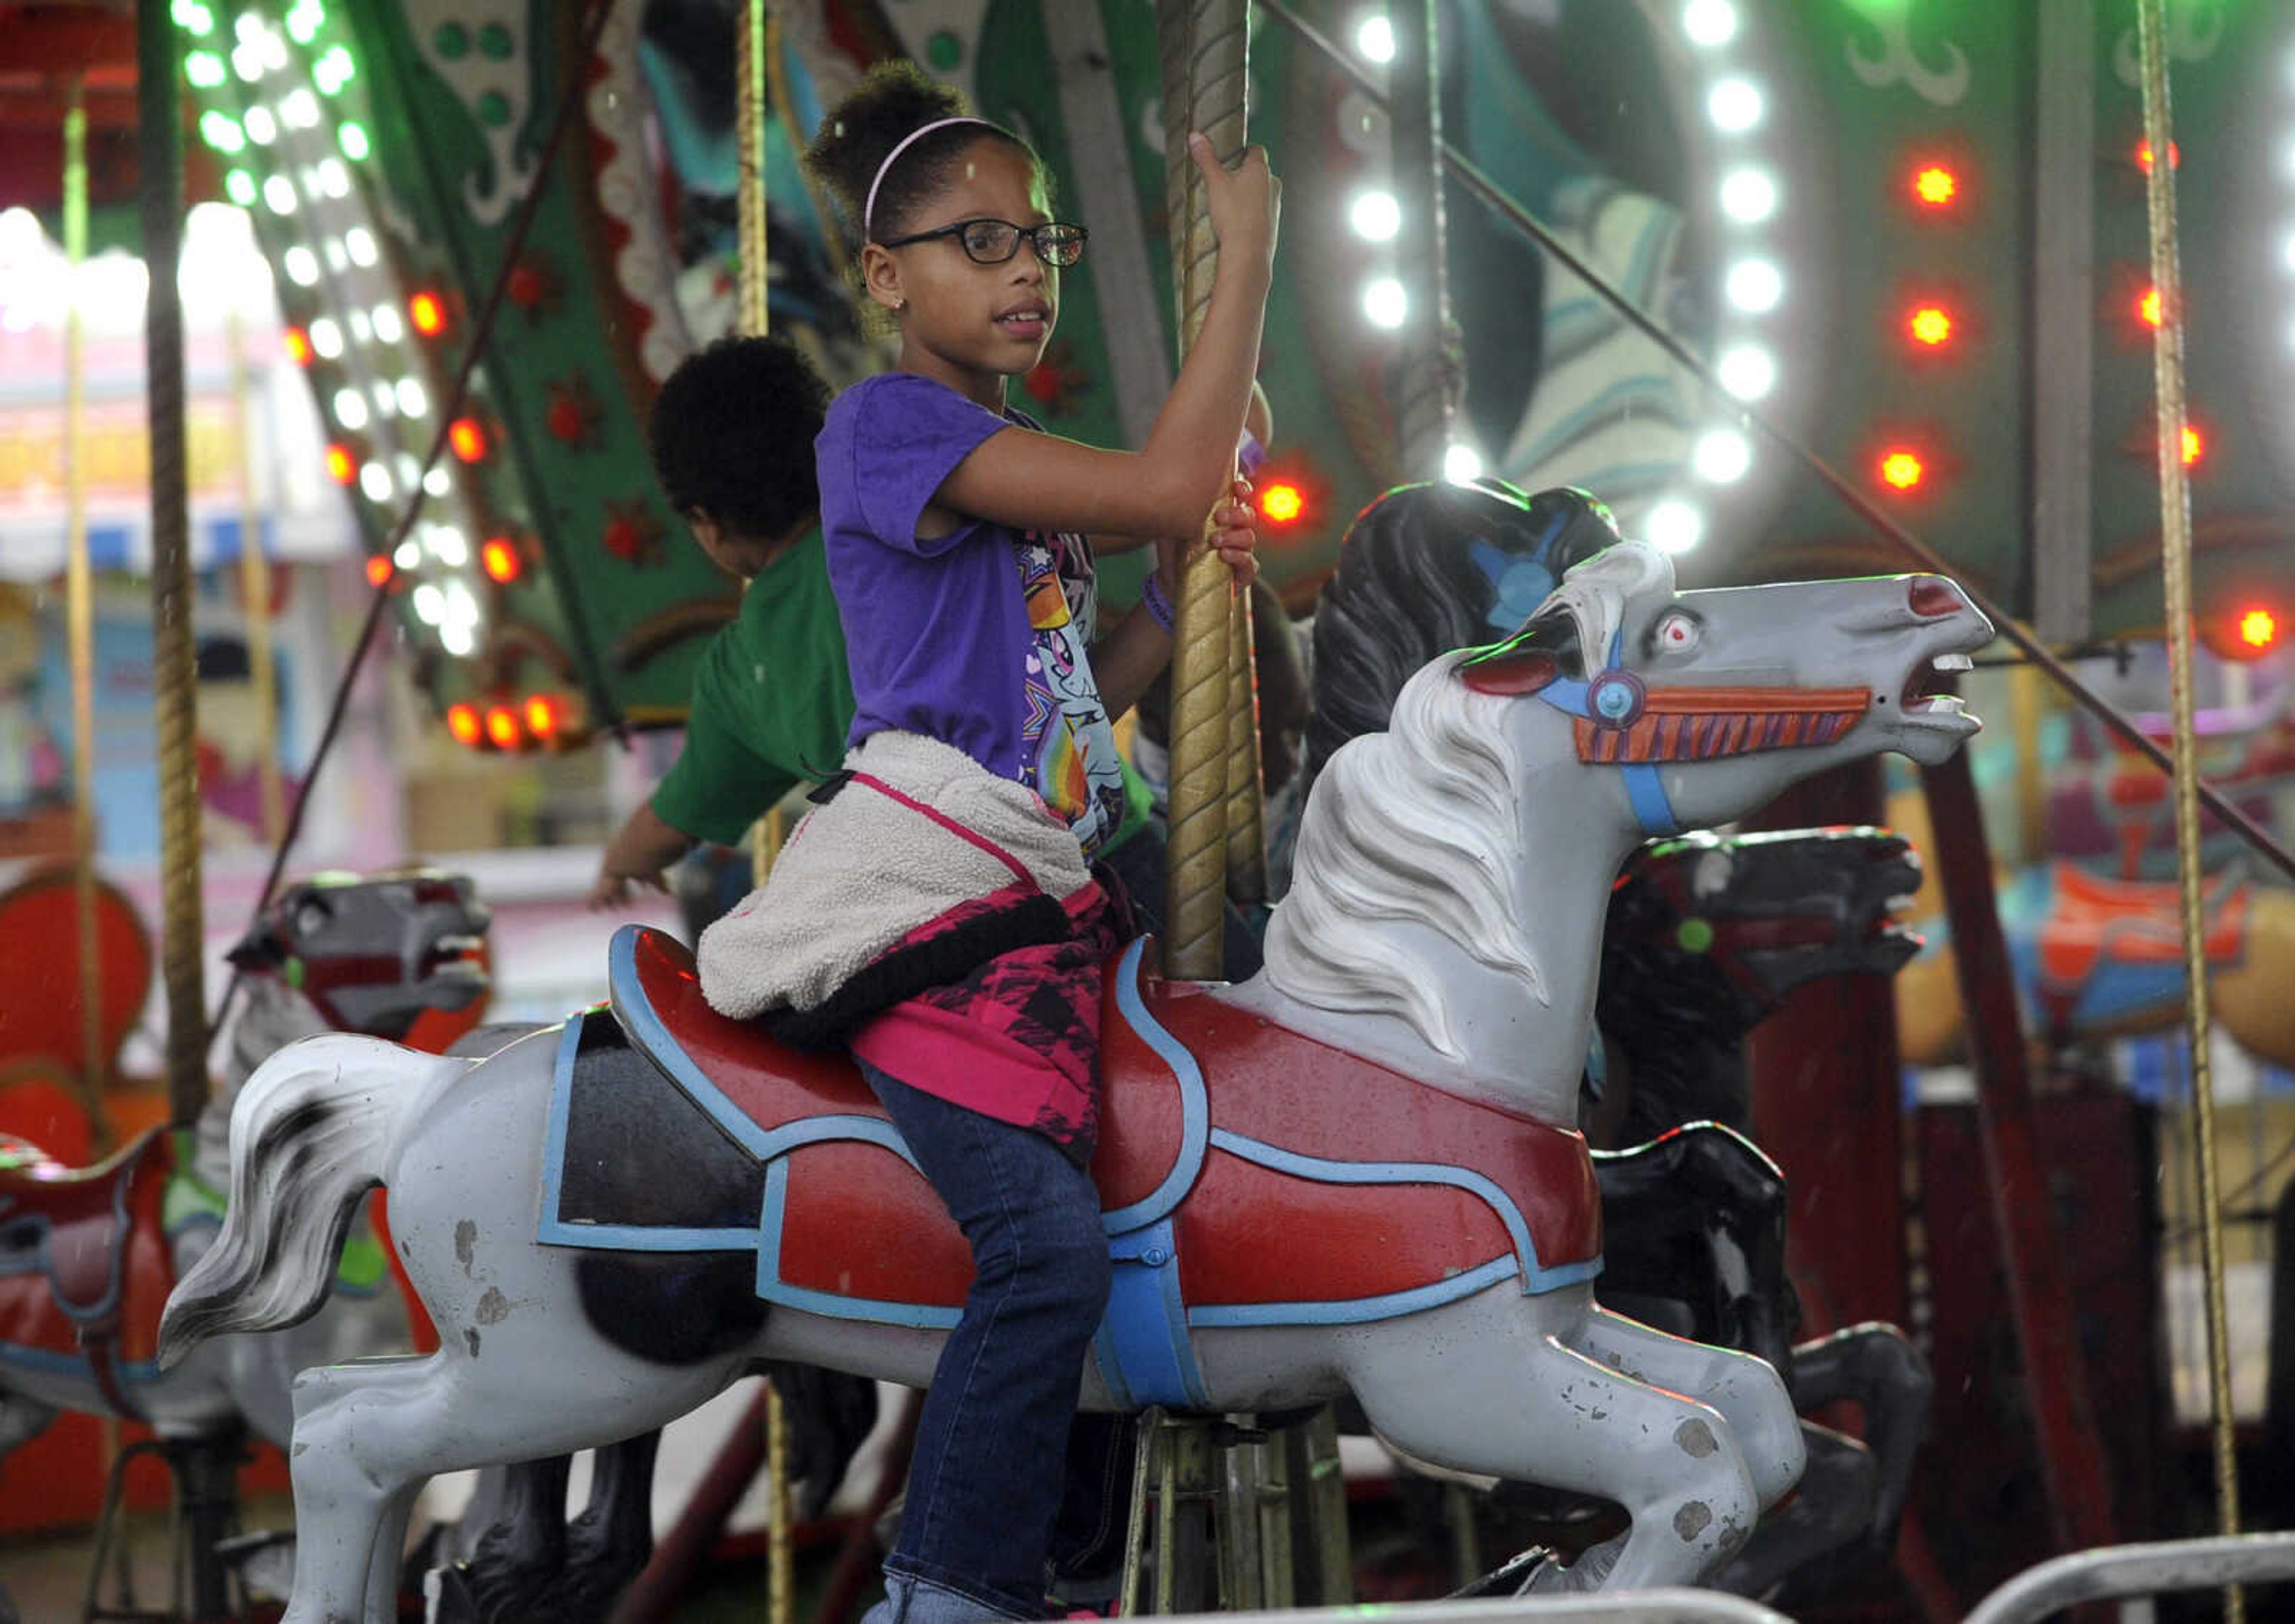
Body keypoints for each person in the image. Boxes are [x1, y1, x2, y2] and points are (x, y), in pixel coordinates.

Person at [787, 62, 1277, 1624]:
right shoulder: (887, 430)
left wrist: (1179, 601)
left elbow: (1082, 697)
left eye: (1040, 245)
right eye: (977, 243)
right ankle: (939, 1588)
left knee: (1164, 1231)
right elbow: (1168, 480)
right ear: (883, 273)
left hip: (1063, 903)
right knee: (1049, 1251)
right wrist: (1248, 251)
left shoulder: (1016, 466)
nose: (1020, 272)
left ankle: (1077, 1560)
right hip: (951, 920)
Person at [587, 334, 849, 909]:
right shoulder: (905, 520)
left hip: (925, 878)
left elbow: (666, 825)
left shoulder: (739, 672)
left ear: (707, 523)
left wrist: (618, 863)